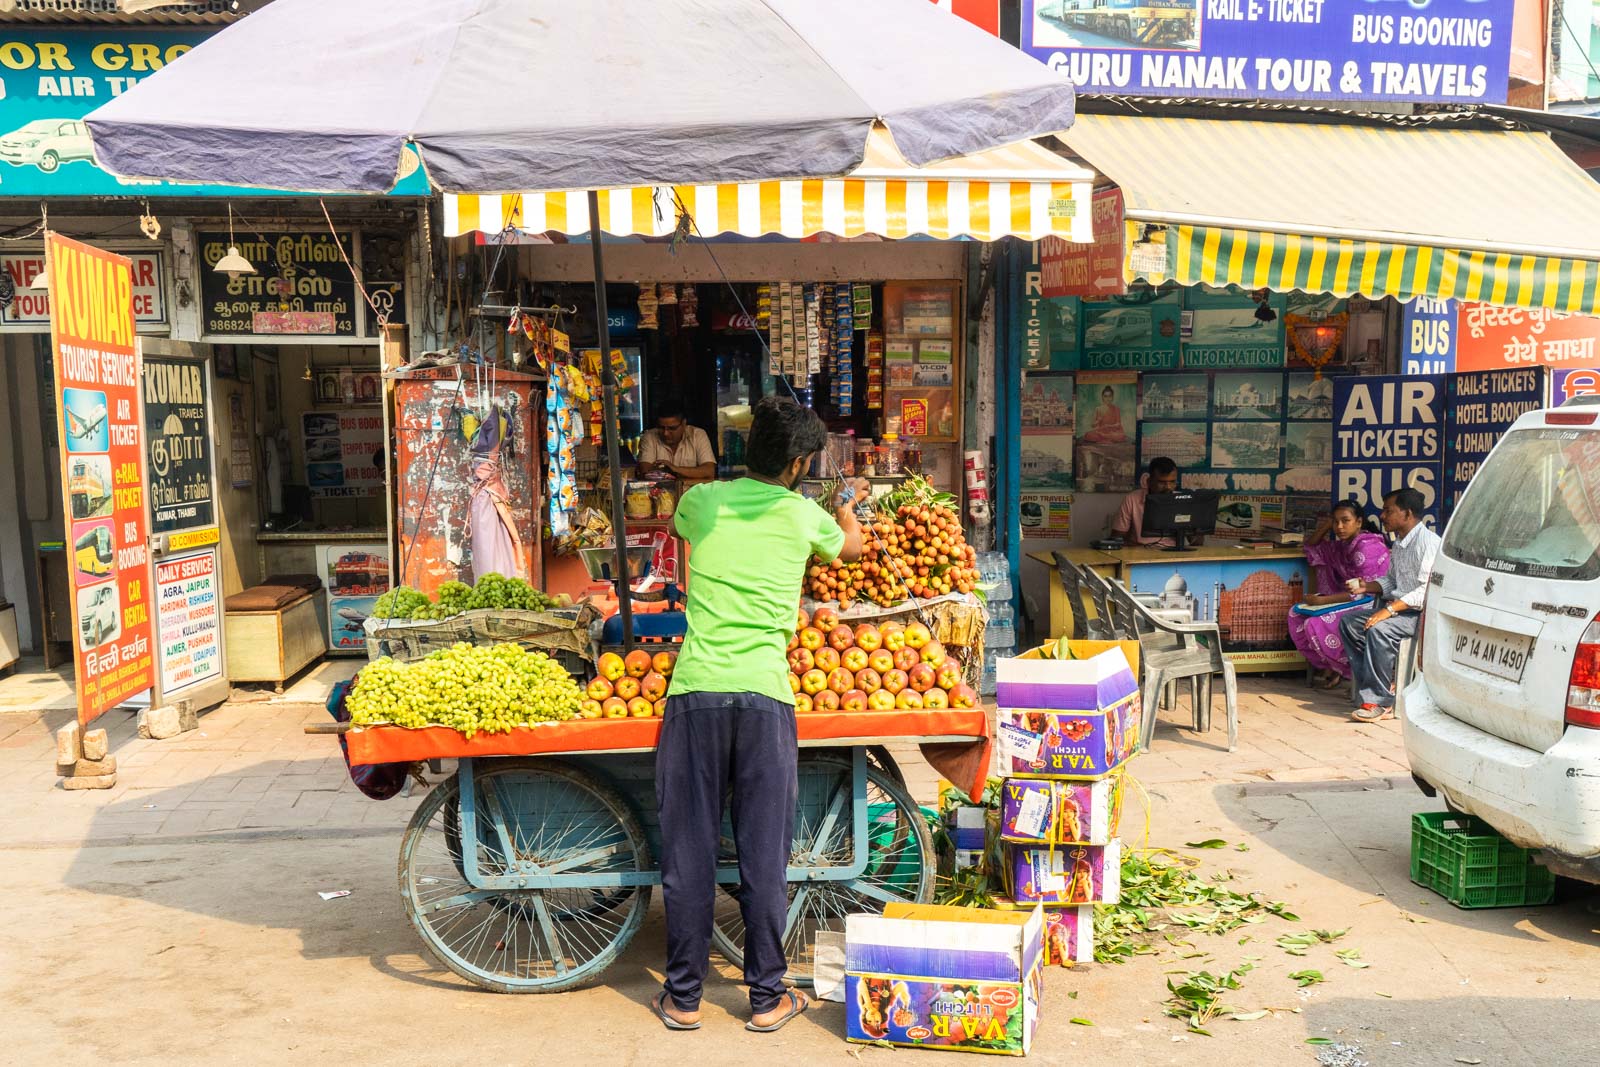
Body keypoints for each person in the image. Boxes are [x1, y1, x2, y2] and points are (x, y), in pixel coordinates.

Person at [652, 396, 867, 1034]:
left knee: (687, 852)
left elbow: (683, 529)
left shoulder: (701, 503)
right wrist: (847, 505)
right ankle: (767, 998)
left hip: (694, 695)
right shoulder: (806, 516)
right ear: (800, 463)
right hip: (766, 698)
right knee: (762, 855)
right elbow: (851, 548)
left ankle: (684, 998)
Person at [1338, 487, 1441, 723]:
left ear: (1408, 514)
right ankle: (1380, 685)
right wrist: (1368, 586)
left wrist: (1388, 611)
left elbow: (1425, 591)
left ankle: (1379, 702)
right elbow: (1393, 580)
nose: (1382, 516)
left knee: (1378, 629)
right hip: (1398, 612)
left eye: (1388, 511)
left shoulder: (1428, 544)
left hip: (1417, 616)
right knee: (1350, 623)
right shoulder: (1401, 542)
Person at [1287, 500, 1391, 689]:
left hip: (1371, 602)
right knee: (1296, 614)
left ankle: (1347, 670)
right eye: (1336, 522)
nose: (1340, 527)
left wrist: (1323, 600)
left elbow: (1364, 591)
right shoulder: (1342, 545)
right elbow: (1311, 547)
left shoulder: (1367, 547)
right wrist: (1327, 525)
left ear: (1359, 522)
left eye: (1345, 521)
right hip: (1349, 597)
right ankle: (1330, 665)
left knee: (1316, 622)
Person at [1109, 457, 1199, 547]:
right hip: (1140, 553)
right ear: (1149, 482)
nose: (1168, 487)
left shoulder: (1183, 500)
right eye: (1162, 482)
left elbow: (1197, 542)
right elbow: (1117, 538)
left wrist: (1196, 527)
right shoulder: (1132, 499)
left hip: (1172, 554)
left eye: (1172, 482)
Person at [636, 399, 717, 483]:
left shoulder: (698, 435)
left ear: (684, 424)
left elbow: (709, 471)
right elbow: (645, 472)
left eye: (672, 428)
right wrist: (691, 472)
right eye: (661, 427)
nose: (666, 433)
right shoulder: (649, 436)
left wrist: (675, 469)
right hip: (660, 494)